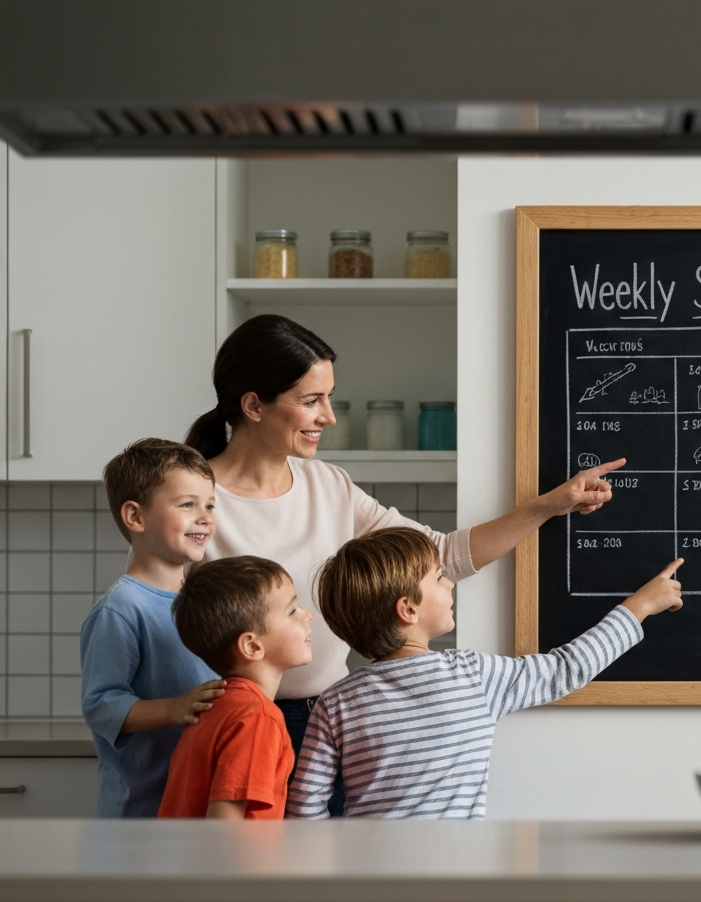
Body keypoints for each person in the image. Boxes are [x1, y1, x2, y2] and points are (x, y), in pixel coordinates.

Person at [185, 314, 624, 816]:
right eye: (311, 401)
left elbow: (442, 556)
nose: (328, 416)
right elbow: (156, 607)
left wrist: (550, 505)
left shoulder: (329, 485)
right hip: (239, 725)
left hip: (326, 715)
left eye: (329, 397)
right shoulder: (191, 499)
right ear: (253, 405)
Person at [286, 528, 683, 818]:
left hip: (373, 882)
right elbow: (567, 668)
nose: (450, 585)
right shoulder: (472, 676)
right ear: (408, 609)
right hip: (459, 875)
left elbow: (305, 806)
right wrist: (640, 607)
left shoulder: (335, 702)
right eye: (440, 577)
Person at [80, 439, 223, 817]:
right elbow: (101, 705)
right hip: (141, 812)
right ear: (136, 517)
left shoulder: (204, 600)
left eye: (210, 505)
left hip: (195, 804)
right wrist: (175, 708)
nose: (206, 517)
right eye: (187, 504)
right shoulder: (121, 608)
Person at [158, 557, 310, 819]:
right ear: (252, 646)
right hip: (228, 860)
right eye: (292, 611)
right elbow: (224, 827)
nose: (307, 615)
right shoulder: (257, 719)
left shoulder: (216, 705)